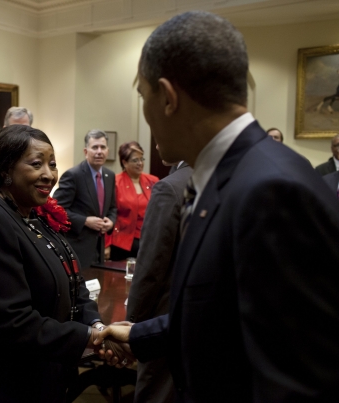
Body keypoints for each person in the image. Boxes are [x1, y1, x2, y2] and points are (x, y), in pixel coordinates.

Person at [96, 11, 339, 402]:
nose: (145, 110)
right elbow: (226, 314)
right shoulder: (229, 174)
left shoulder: (271, 191)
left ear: (169, 98)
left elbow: (296, 380)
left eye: (144, 97)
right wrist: (142, 334)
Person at [0, 125, 128, 402]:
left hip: (39, 370)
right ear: (6, 170)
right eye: (36, 164)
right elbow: (12, 321)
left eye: (52, 164)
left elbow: (75, 285)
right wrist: (91, 337)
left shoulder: (35, 214)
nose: (49, 174)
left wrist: (98, 327)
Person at [125, 158, 192, 403]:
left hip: (165, 318)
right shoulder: (224, 174)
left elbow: (150, 268)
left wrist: (131, 327)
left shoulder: (169, 187)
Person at [54, 130, 117, 269]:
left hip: (99, 249)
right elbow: (57, 209)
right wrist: (85, 221)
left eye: (103, 147)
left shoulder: (110, 175)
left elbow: (112, 207)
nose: (99, 151)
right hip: (77, 248)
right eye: (95, 147)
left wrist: (111, 221)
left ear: (108, 151)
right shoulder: (73, 175)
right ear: (85, 151)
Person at [105, 141, 158, 261]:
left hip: (148, 241)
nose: (140, 163)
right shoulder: (115, 182)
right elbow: (108, 214)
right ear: (124, 162)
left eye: (141, 159)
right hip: (122, 243)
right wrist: (106, 245)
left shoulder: (153, 181)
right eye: (135, 160)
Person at [0, 106, 33, 185]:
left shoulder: (37, 157)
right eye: (14, 129)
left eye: (25, 128)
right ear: (4, 130)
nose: (20, 134)